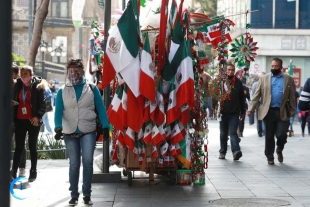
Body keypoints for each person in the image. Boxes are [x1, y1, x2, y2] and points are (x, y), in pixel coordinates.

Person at [54, 59, 109, 206]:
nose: (74, 75)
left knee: (88, 162)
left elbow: (101, 108)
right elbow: (58, 111)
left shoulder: (92, 88)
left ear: (82, 72)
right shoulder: (62, 90)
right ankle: (74, 194)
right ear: (67, 74)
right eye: (71, 72)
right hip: (69, 131)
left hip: (88, 130)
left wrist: (105, 125)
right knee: (74, 164)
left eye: (77, 71)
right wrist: (58, 127)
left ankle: (87, 194)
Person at [248, 58, 296, 165]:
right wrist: (251, 108)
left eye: (276, 66)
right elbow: (257, 95)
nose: (274, 68)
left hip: (282, 111)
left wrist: (293, 110)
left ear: (281, 67)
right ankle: (270, 156)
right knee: (269, 135)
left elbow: (292, 96)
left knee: (281, 134)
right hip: (268, 111)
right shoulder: (264, 78)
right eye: (272, 66)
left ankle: (279, 149)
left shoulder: (288, 79)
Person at [11, 65, 46, 181]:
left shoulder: (38, 86)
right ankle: (13, 172)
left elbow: (43, 104)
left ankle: (33, 171)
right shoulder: (17, 85)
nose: (23, 76)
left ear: (31, 75)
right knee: (19, 148)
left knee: (32, 147)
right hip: (20, 120)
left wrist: (38, 116)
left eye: (25, 74)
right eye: (21, 74)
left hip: (32, 121)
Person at [218, 63, 245, 160]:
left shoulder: (238, 82)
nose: (230, 71)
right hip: (222, 112)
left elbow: (242, 98)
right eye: (228, 69)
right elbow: (214, 95)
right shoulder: (220, 82)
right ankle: (222, 152)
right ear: (225, 71)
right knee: (223, 133)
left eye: (232, 70)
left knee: (233, 132)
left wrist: (243, 112)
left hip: (234, 112)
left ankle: (236, 151)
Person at [11, 64, 27, 178]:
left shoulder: (20, 85)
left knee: (20, 144)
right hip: (8, 119)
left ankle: (21, 167)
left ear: (16, 74)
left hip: (19, 118)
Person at [251, 72, 266, 137]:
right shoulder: (255, 84)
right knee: (259, 118)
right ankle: (260, 132)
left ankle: (265, 131)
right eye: (260, 76)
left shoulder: (267, 84)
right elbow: (252, 95)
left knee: (265, 118)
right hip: (258, 103)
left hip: (265, 103)